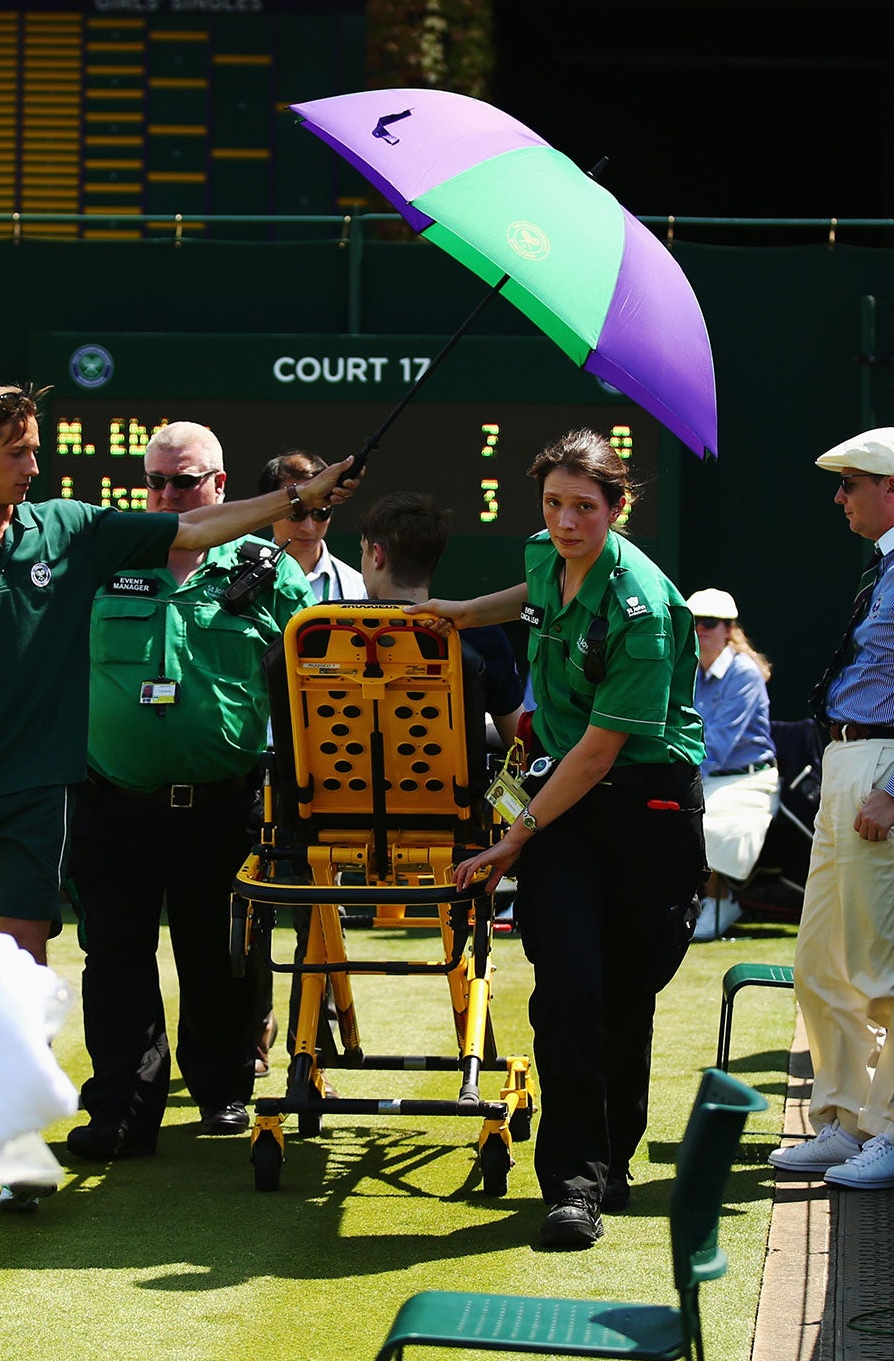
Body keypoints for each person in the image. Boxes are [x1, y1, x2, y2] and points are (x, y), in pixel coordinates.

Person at [0, 384, 359, 1211]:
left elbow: (206, 544)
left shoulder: (69, 528)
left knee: (25, 963)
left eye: (37, 450)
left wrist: (300, 497)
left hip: (49, 792)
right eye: (19, 452)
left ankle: (17, 1145)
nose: (35, 467)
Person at [414, 429, 706, 1251]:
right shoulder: (548, 552)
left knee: (623, 991)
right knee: (569, 988)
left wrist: (512, 837)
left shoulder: (645, 610)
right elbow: (534, 591)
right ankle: (573, 1184)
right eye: (553, 503)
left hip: (643, 803)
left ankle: (612, 1161)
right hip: (564, 805)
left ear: (620, 507)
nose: (567, 522)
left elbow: (600, 751)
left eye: (585, 506)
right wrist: (466, 613)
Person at [68, 422, 314, 1158]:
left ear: (220, 486)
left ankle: (225, 1090)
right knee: (115, 955)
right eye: (156, 483)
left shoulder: (267, 567)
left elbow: (311, 678)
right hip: (113, 799)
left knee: (223, 954)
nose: (168, 495)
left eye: (185, 482)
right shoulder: (103, 558)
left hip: (224, 801)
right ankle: (120, 1111)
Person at [770, 427, 894, 1192]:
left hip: (884, 768)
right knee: (823, 963)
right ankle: (846, 1118)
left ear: (892, 487)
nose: (838, 496)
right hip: (858, 764)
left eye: (849, 482)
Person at [357, 491, 525, 745]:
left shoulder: (325, 630)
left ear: (377, 555)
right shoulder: (481, 636)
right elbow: (517, 741)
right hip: (450, 784)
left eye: (363, 551)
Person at [684, 587, 777, 940]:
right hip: (702, 774)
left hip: (749, 782)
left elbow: (718, 746)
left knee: (704, 822)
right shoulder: (687, 668)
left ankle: (723, 900)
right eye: (693, 623)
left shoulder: (744, 673)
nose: (700, 631)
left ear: (729, 629)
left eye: (709, 623)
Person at [258, 450, 365, 602]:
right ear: (269, 512)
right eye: (296, 514)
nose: (308, 527)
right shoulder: (238, 581)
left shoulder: (357, 589)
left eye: (320, 513)